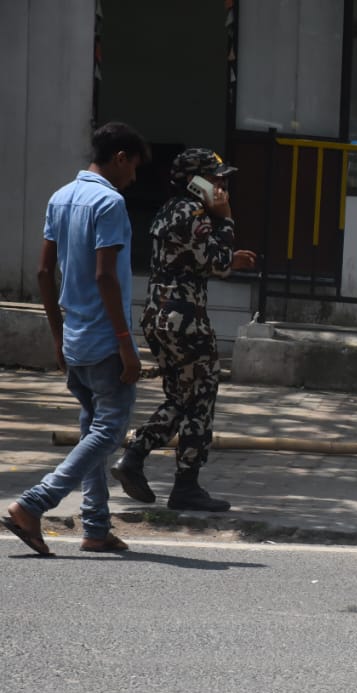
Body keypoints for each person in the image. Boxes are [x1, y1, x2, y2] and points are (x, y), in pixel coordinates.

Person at [3, 122, 149, 556]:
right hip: (105, 338)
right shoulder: (110, 202)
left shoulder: (60, 197)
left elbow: (44, 273)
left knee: (91, 429)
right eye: (134, 167)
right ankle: (34, 504)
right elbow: (106, 276)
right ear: (120, 158)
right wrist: (126, 344)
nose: (134, 178)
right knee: (108, 432)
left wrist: (56, 335)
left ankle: (96, 527)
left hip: (74, 337)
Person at [111, 148, 257, 513]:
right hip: (184, 319)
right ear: (195, 181)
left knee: (182, 397)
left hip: (159, 315)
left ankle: (135, 458)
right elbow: (216, 259)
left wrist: (225, 255)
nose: (222, 186)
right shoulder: (194, 212)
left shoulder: (170, 210)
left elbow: (193, 260)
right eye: (216, 178)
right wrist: (226, 219)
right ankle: (185, 484)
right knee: (201, 395)